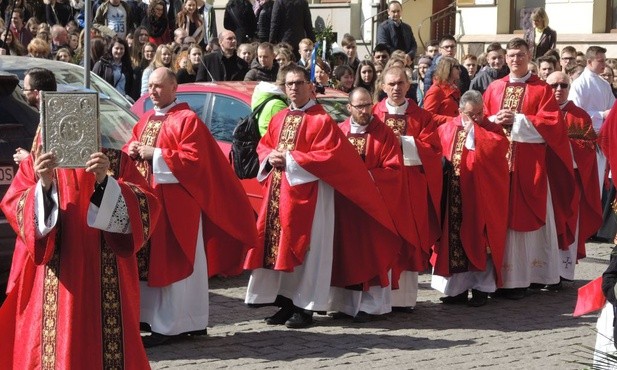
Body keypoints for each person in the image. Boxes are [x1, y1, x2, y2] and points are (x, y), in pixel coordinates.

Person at [0, 67, 161, 369]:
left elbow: (147, 208)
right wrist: (44, 186)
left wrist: (105, 183)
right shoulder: (36, 167)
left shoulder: (115, 161)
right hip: (56, 278)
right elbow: (17, 210)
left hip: (107, 275)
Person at [243, 64, 399, 329]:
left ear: (309, 86)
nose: (293, 88)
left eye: (298, 83)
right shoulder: (280, 117)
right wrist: (270, 156)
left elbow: (330, 157)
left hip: (312, 198)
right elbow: (264, 145)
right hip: (279, 195)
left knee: (310, 253)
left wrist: (291, 158)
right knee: (280, 248)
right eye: (289, 84)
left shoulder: (321, 119)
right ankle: (286, 303)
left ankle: (306, 307)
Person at [127, 67, 257, 347]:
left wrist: (157, 155)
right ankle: (164, 319)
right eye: (150, 86)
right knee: (153, 264)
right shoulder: (146, 120)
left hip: (177, 206)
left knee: (177, 262)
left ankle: (176, 323)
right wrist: (134, 151)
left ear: (174, 88)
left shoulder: (187, 121)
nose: (153, 91)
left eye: (159, 86)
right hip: (151, 203)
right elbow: (133, 147)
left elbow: (194, 162)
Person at [483, 37, 575, 299]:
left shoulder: (541, 89)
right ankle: (502, 277)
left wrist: (518, 120)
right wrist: (494, 119)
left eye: (520, 55)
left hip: (529, 166)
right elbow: (483, 122)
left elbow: (552, 126)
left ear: (529, 55)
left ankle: (530, 276)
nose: (514, 59)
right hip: (499, 167)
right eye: (511, 55)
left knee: (527, 224)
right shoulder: (494, 88)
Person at [329, 87, 417, 322]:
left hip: (374, 208)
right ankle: (345, 305)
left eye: (368, 105)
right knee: (345, 253)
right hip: (346, 207)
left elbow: (394, 169)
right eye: (359, 106)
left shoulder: (384, 133)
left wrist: (365, 179)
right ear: (349, 108)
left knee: (372, 254)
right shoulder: (340, 132)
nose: (365, 110)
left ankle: (372, 306)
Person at [431, 89, 509, 307]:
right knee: (453, 240)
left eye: (478, 114)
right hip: (453, 194)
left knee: (481, 240)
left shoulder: (492, 129)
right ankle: (456, 289)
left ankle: (481, 289)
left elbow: (499, 150)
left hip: (481, 197)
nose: (475, 119)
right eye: (469, 114)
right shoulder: (446, 129)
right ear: (459, 111)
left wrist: (477, 133)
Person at [372, 66, 442, 311]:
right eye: (391, 84)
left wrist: (400, 143)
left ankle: (403, 300)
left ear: (409, 85)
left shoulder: (421, 117)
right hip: (381, 191)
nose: (396, 88)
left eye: (401, 83)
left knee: (408, 240)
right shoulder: (373, 114)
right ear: (382, 87)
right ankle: (378, 299)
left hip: (410, 190)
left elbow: (433, 151)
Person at [546, 71, 602, 285]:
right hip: (545, 182)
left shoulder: (579, 115)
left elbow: (588, 150)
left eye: (563, 85)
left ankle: (562, 272)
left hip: (570, 183)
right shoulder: (539, 112)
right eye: (553, 86)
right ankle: (541, 272)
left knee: (567, 224)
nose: (558, 90)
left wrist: (563, 146)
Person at [569, 46, 616, 197]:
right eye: (600, 60)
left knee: (599, 185)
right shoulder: (579, 84)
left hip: (602, 139)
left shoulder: (604, 84)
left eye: (604, 60)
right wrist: (601, 115)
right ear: (589, 61)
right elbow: (575, 113)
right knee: (586, 185)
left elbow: (613, 108)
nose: (604, 64)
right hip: (585, 139)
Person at [423, 56, 461, 125]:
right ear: (447, 69)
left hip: (453, 129)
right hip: (441, 131)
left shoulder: (454, 88)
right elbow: (427, 116)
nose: (460, 70)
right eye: (457, 67)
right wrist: (450, 120)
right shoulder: (435, 90)